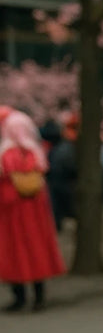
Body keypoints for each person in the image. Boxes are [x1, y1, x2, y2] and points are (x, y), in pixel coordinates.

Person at [1, 109, 66, 312]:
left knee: (14, 252)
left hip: (12, 213)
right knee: (37, 250)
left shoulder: (7, 154)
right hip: (35, 213)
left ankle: (19, 297)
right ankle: (39, 296)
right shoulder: (37, 153)